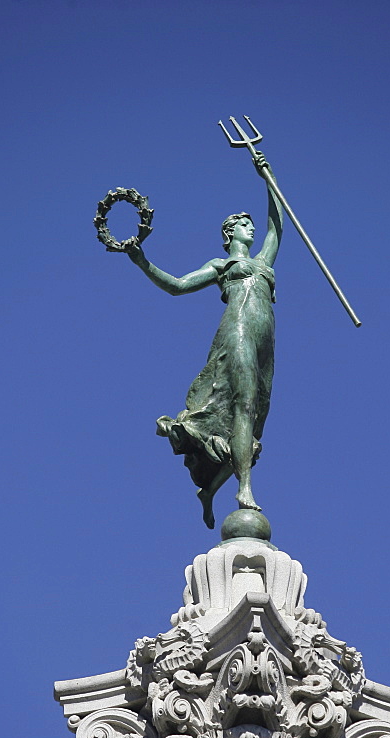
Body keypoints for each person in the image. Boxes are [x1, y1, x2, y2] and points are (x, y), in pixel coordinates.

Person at [125, 152, 283, 528]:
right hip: (239, 331)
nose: (252, 228)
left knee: (253, 420)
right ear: (230, 233)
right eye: (244, 224)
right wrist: (142, 261)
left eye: (251, 223)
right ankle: (244, 489)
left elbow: (277, 226)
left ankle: (210, 487)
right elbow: (178, 286)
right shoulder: (222, 266)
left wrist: (268, 177)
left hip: (265, 341)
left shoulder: (264, 263)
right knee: (243, 406)